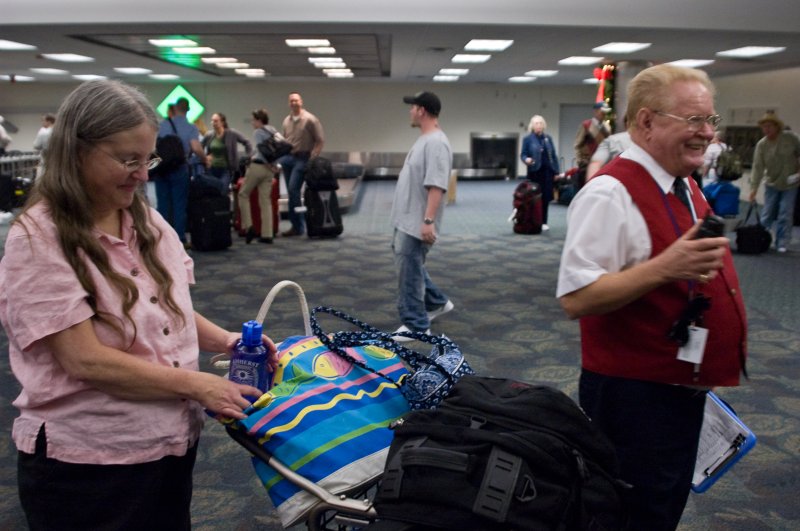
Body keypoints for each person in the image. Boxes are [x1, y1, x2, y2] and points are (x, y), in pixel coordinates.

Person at [0, 79, 277, 530]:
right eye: (128, 160)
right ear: (76, 151)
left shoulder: (142, 217)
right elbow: (86, 360)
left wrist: (224, 340)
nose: (143, 174)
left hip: (165, 445)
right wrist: (197, 384)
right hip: (90, 464)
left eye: (146, 158)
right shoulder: (39, 238)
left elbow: (169, 308)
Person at [556, 64, 747, 531]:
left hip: (676, 390)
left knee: (662, 506)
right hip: (633, 399)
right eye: (693, 121)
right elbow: (576, 297)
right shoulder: (610, 194)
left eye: (711, 121)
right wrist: (666, 268)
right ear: (646, 122)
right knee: (632, 515)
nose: (707, 134)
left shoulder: (684, 184)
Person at [391, 91, 454, 341]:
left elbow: (436, 185)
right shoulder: (425, 139)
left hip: (417, 221)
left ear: (422, 111)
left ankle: (416, 325)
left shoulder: (436, 142)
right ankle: (436, 302)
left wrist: (428, 221)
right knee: (410, 265)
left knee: (409, 268)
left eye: (413, 107)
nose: (410, 111)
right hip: (407, 219)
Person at [155, 97, 207, 248]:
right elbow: (196, 148)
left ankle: (162, 238)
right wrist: (204, 159)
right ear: (188, 110)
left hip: (162, 168)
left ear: (175, 108)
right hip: (179, 168)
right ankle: (179, 239)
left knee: (162, 204)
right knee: (179, 204)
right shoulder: (191, 128)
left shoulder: (161, 125)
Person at [748, 110, 800, 253]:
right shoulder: (762, 145)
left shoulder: (791, 138)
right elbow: (757, 168)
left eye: (770, 126)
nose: (767, 129)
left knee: (785, 213)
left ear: (777, 126)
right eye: (764, 127)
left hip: (790, 184)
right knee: (767, 213)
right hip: (771, 183)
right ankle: (763, 238)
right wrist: (753, 189)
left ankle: (782, 242)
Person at [278, 91, 325, 237]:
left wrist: (312, 158)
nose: (293, 103)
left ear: (301, 102)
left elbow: (320, 140)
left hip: (303, 158)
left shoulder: (310, 119)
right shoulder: (286, 120)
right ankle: (296, 226)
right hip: (288, 159)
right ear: (288, 103)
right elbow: (285, 140)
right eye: (291, 101)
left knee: (293, 190)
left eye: (296, 100)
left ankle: (299, 226)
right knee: (293, 193)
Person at [239, 108, 278, 244]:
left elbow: (261, 152)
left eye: (253, 120)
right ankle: (267, 234)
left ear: (259, 120)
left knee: (243, 194)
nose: (252, 123)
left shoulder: (258, 132)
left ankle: (249, 226)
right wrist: (273, 167)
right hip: (270, 171)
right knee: (265, 201)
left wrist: (266, 164)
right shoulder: (273, 130)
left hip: (258, 167)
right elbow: (276, 151)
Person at [520, 115, 559, 231]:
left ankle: (544, 221)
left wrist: (556, 171)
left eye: (541, 123)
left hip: (548, 172)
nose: (539, 126)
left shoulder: (548, 139)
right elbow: (523, 154)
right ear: (532, 126)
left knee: (546, 197)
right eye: (536, 123)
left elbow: (554, 156)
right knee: (534, 197)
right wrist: (526, 159)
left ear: (544, 125)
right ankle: (534, 220)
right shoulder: (527, 139)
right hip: (534, 172)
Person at [201, 112, 252, 193]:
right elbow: (200, 147)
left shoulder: (231, 134)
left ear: (222, 122)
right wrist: (204, 158)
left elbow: (247, 142)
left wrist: (248, 156)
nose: (213, 123)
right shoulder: (209, 135)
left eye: (216, 121)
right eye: (212, 121)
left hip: (226, 169)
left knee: (223, 190)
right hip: (211, 169)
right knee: (212, 192)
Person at [574, 101, 612, 185]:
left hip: (602, 164)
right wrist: (580, 161)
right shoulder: (586, 125)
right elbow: (578, 144)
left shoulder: (607, 127)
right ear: (595, 111)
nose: (604, 114)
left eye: (605, 112)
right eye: (602, 111)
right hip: (587, 164)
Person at [32, 113, 56, 178]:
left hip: (46, 161)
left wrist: (40, 132)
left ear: (48, 121)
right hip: (58, 163)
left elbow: (36, 146)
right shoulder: (60, 132)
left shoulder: (44, 132)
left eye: (43, 120)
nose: (42, 122)